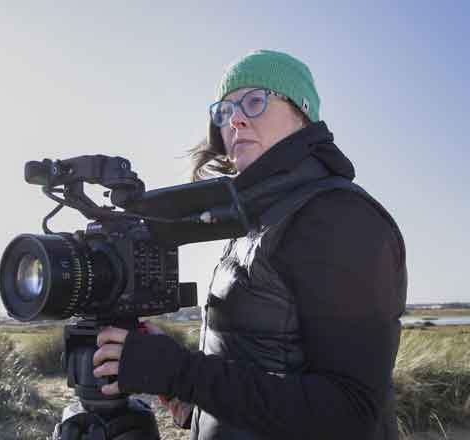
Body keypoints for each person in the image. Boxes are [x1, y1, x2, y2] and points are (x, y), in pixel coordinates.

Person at [92, 49, 407, 440]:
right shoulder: (260, 217)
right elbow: (257, 364)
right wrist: (194, 404)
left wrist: (181, 372)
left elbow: (351, 414)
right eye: (224, 111)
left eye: (255, 101)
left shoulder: (336, 216)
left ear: (302, 114)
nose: (235, 120)